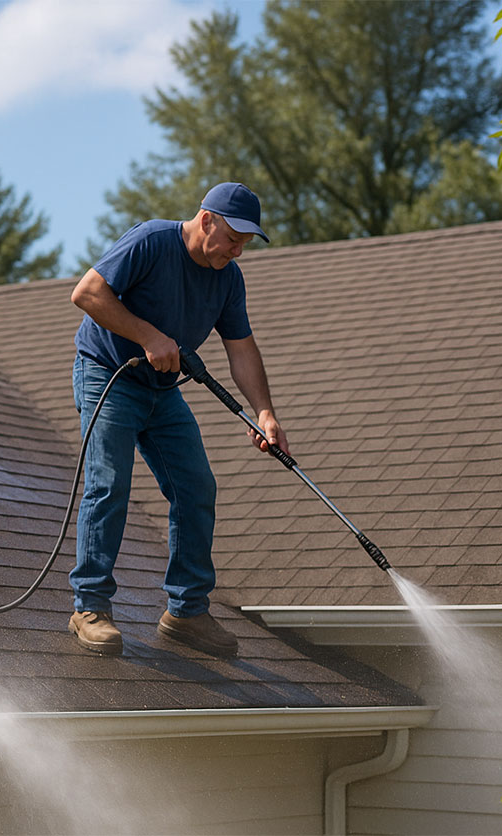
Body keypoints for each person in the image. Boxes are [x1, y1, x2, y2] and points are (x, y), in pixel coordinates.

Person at [67, 182, 289, 657]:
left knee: (196, 488)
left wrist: (265, 413)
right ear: (206, 220)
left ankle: (186, 612)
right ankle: (89, 607)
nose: (237, 251)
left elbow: (242, 348)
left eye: (246, 243)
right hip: (107, 374)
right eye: (234, 238)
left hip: (161, 390)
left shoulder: (228, 278)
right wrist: (149, 335)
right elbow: (86, 294)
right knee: (109, 484)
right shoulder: (151, 241)